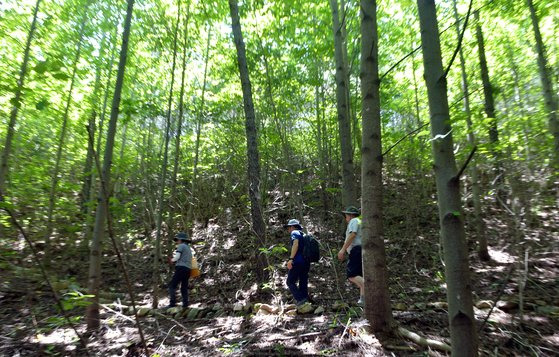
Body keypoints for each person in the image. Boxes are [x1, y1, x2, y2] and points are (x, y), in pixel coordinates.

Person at [337, 206, 364, 305]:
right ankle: (363, 299)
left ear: (351, 215)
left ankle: (369, 286)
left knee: (351, 275)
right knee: (359, 275)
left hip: (356, 250)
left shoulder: (354, 221)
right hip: (360, 250)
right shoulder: (359, 221)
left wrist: (343, 250)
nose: (346, 218)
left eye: (346, 215)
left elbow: (353, 234)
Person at [283, 219, 312, 310]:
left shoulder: (294, 232)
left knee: (290, 281)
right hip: (306, 262)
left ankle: (301, 300)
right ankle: (305, 301)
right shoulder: (304, 234)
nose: (288, 230)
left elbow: (295, 244)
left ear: (292, 227)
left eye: (288, 227)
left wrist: (291, 259)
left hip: (298, 261)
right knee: (303, 280)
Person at [167, 232, 192, 308]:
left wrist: (172, 260)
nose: (176, 242)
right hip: (188, 269)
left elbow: (177, 256)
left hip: (181, 268)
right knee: (184, 287)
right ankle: (185, 304)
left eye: (177, 240)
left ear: (181, 240)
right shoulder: (188, 248)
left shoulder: (181, 246)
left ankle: (172, 303)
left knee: (172, 286)